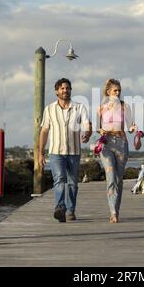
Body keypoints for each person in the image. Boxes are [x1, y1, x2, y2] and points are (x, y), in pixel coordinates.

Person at [38, 78, 92, 222]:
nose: (65, 90)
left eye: (67, 88)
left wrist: (87, 133)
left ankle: (70, 210)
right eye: (62, 88)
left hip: (74, 152)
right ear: (56, 91)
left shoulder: (79, 107)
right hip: (56, 152)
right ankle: (60, 208)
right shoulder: (49, 109)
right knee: (60, 179)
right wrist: (40, 152)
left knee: (73, 183)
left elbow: (87, 124)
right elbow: (44, 131)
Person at [97, 79, 137, 223]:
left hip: (121, 142)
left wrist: (133, 129)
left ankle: (116, 211)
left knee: (119, 180)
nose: (118, 93)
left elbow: (130, 125)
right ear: (108, 92)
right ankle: (112, 211)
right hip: (106, 143)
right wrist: (100, 130)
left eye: (119, 90)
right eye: (115, 90)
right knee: (111, 177)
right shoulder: (101, 107)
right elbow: (97, 126)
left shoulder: (124, 106)